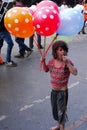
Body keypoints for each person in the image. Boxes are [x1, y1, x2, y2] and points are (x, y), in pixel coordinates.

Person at [41, 40, 78, 130]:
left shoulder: (67, 61)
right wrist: (43, 62)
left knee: (61, 112)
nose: (63, 52)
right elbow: (46, 70)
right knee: (55, 111)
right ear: (55, 52)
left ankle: (62, 128)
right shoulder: (51, 61)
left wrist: (67, 63)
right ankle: (58, 126)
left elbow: (75, 72)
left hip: (62, 92)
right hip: (54, 91)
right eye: (60, 50)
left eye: (64, 50)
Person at [0, 0, 17, 67]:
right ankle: (8, 60)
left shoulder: (3, 8)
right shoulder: (2, 9)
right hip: (3, 30)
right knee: (10, 43)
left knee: (0, 45)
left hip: (1, 30)